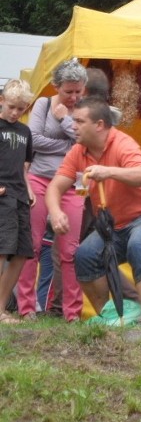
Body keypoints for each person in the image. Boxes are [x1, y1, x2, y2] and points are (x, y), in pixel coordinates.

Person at [46, 97, 141, 324]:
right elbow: (55, 186)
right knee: (85, 255)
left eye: (80, 121)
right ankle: (110, 317)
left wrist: (109, 171)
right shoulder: (77, 151)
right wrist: (55, 212)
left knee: (139, 245)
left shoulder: (122, 143)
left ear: (100, 125)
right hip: (114, 226)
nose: (73, 126)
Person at [18, 58, 87, 322]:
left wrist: (67, 122)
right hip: (39, 180)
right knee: (31, 245)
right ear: (56, 86)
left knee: (70, 249)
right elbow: (33, 139)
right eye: (68, 91)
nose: (73, 96)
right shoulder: (43, 104)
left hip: (71, 186)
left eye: (78, 91)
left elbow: (86, 139)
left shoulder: (86, 109)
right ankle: (27, 307)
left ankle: (72, 312)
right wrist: (71, 148)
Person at [0, 80, 36, 324]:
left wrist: (30, 188)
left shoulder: (25, 132)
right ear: (2, 101)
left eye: (20, 108)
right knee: (2, 250)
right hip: (2, 195)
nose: (15, 112)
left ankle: (1, 307)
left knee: (23, 252)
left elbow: (24, 167)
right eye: (11, 106)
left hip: (21, 195)